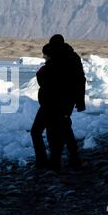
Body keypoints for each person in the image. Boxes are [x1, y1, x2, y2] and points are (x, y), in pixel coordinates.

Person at [31, 34, 86, 172]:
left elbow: (45, 82)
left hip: (51, 104)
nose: (44, 57)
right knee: (65, 129)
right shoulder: (72, 58)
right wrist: (79, 102)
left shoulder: (55, 63)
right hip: (66, 104)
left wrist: (42, 71)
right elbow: (80, 81)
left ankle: (48, 162)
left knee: (42, 131)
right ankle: (72, 159)